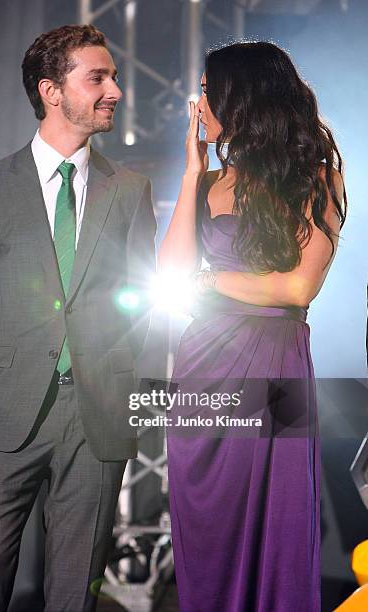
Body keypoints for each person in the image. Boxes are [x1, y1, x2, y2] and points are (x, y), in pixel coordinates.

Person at [0, 24, 156, 612]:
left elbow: (144, 298)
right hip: (6, 409)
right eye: (98, 77)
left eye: (113, 76)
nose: (115, 89)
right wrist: (6, 369)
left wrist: (112, 374)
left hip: (96, 416)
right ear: (51, 90)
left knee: (74, 592)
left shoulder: (130, 189)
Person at [159, 41, 346, 612]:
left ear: (242, 99)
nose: (199, 102)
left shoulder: (318, 178)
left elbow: (297, 288)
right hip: (201, 371)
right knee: (206, 525)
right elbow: (169, 273)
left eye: (209, 90)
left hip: (279, 362)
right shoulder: (209, 182)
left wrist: (212, 284)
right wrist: (192, 172)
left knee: (279, 518)